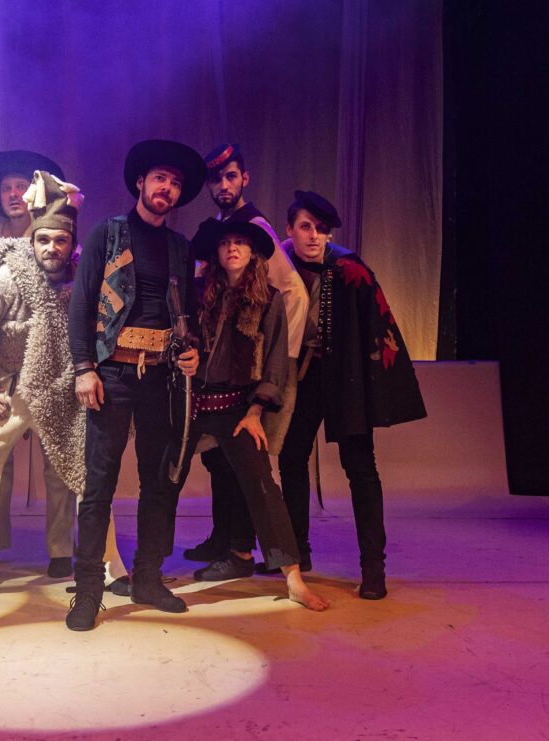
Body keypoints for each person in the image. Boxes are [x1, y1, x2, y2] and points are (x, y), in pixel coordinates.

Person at [0, 172, 128, 600]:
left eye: (60, 241)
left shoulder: (86, 280)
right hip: (10, 388)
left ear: (71, 243)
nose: (51, 249)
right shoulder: (9, 278)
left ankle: (106, 568)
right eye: (43, 240)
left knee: (86, 474)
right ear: (33, 240)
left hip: (64, 386)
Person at [65, 140, 205, 631]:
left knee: (159, 482)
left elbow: (187, 313)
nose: (168, 187)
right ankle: (88, 592)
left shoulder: (179, 247)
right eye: (160, 178)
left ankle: (147, 578)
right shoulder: (108, 234)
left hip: (162, 377)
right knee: (98, 485)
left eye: (176, 182)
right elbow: (81, 305)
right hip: (112, 373)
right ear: (141, 183)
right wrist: (83, 367)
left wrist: (191, 350)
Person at [279, 191, 426, 599]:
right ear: (290, 229)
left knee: (360, 466)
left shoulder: (349, 268)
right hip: (303, 376)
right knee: (291, 457)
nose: (314, 235)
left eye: (321, 228)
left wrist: (371, 387)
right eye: (305, 227)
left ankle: (373, 569)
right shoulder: (278, 264)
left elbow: (378, 326)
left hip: (345, 378)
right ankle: (297, 554)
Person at [174, 218, 327, 610]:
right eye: (225, 242)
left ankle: (293, 579)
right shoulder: (197, 293)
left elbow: (275, 358)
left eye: (240, 242)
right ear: (216, 252)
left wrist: (256, 410)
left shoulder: (269, 299)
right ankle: (146, 569)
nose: (232, 248)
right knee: (165, 479)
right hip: (192, 401)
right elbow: (178, 338)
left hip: (237, 407)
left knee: (262, 485)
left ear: (252, 251)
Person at [184, 143, 309, 569]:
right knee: (219, 460)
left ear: (245, 179)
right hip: (218, 373)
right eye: (216, 179)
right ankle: (223, 538)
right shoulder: (223, 228)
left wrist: (279, 360)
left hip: (250, 375)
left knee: (242, 460)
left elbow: (293, 294)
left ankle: (238, 546)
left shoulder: (254, 226)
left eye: (231, 176)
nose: (223, 185)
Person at [0, 149, 77, 578]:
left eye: (21, 186)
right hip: (4, 365)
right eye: (6, 188)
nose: (14, 194)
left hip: (54, 363)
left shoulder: (58, 235)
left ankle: (60, 548)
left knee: (60, 458)